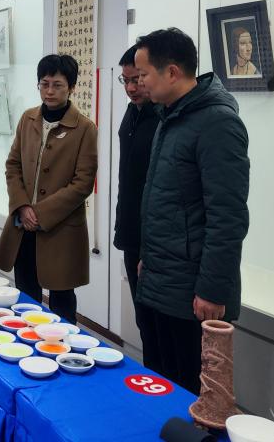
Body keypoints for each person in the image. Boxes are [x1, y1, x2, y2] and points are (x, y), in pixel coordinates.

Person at [134, 28, 250, 395]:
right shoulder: (170, 117)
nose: (139, 83)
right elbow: (167, 202)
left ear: (171, 72)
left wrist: (213, 289)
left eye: (143, 74)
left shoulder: (217, 123)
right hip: (161, 279)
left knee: (187, 392)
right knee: (156, 383)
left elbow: (227, 216)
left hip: (192, 293)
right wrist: (148, 257)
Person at [0, 54, 97, 323]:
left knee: (62, 302)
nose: (49, 91)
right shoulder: (28, 119)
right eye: (44, 84)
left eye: (57, 85)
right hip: (23, 225)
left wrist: (40, 213)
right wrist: (22, 207)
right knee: (26, 298)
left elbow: (83, 183)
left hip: (61, 228)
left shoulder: (85, 128)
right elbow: (13, 165)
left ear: (71, 87)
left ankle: (63, 347)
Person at [113, 45, 159, 363]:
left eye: (137, 79)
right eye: (126, 80)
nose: (131, 88)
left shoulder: (163, 116)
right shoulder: (133, 112)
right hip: (132, 231)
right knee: (144, 320)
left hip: (155, 238)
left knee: (158, 326)